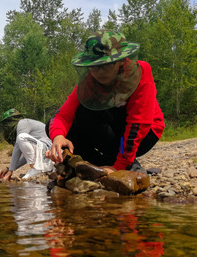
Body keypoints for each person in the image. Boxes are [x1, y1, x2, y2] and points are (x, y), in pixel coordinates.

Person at [45, 30, 165, 174]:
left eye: (104, 65)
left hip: (145, 134)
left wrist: (120, 165)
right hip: (112, 133)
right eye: (93, 66)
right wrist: (58, 136)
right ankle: (96, 167)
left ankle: (127, 167)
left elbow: (138, 123)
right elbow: (62, 115)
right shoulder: (89, 81)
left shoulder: (141, 71)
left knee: (91, 116)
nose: (97, 71)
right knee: (56, 124)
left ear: (121, 60)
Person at [0, 109, 54, 180]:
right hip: (48, 156)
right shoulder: (26, 128)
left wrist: (10, 171)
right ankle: (41, 168)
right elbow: (28, 155)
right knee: (25, 179)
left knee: (21, 137)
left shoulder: (22, 123)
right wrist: (9, 168)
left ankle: (36, 168)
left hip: (48, 149)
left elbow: (17, 145)